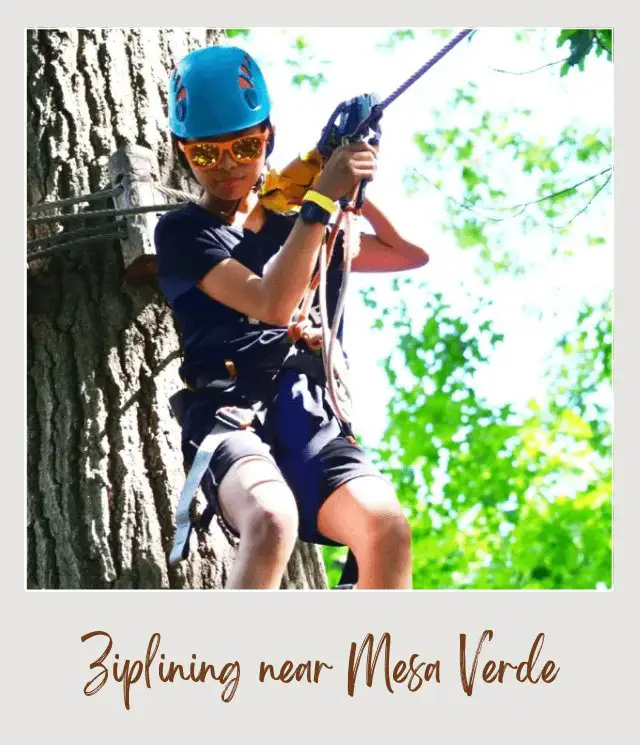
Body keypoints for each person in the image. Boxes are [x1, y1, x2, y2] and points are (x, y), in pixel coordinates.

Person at [154, 45, 429, 590]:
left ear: (268, 137)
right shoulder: (186, 233)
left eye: (245, 146)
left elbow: (407, 254)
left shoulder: (293, 218)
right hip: (231, 411)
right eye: (206, 155)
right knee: (272, 519)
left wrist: (347, 186)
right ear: (183, 154)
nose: (229, 165)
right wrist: (319, 199)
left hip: (307, 414)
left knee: (387, 530)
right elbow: (272, 301)